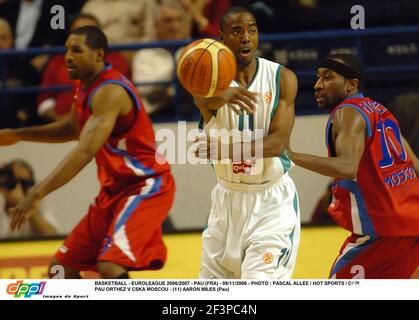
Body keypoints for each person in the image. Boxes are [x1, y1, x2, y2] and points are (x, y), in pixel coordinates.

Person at [0, 26, 175, 279]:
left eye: (77, 50)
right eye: (67, 50)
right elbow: (72, 128)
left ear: (98, 55)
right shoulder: (84, 87)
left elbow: (84, 150)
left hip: (145, 185)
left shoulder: (110, 92)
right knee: (60, 271)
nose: (68, 56)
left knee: (110, 266)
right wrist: (18, 134)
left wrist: (37, 194)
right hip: (113, 190)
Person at [287, 53, 419, 279]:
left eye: (328, 78)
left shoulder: (347, 112)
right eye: (317, 78)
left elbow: (348, 167)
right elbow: (415, 165)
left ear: (351, 84)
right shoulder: (383, 113)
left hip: (384, 232)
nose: (318, 86)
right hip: (412, 225)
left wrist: (292, 156)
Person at [192, 7, 300, 279]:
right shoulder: (206, 83)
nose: (246, 38)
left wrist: (227, 150)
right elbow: (205, 98)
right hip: (226, 202)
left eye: (252, 30)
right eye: (237, 31)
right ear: (222, 38)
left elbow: (277, 144)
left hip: (270, 203)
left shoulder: (282, 78)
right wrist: (225, 93)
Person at [37, 13, 131, 122]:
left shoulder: (118, 62)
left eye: (90, 33)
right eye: (78, 32)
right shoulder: (57, 62)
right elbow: (44, 99)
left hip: (109, 126)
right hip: (63, 126)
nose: (84, 38)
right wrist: (58, 119)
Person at [0, 159, 57, 239]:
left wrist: (26, 208)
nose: (18, 188)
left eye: (23, 183)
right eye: (12, 182)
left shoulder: (38, 199)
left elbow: (52, 235)